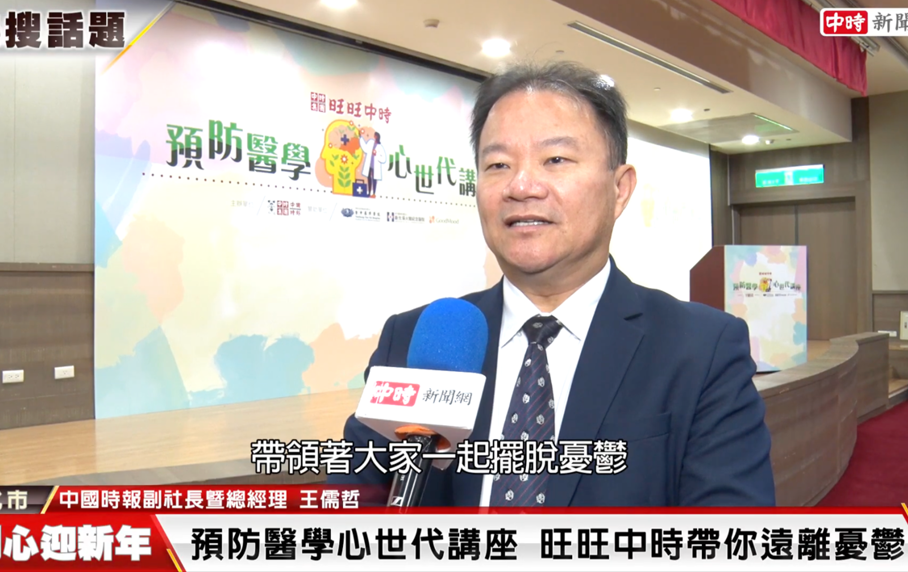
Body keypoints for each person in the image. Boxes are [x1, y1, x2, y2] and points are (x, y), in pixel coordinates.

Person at [329, 62, 775, 507]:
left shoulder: (702, 350)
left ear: (620, 189)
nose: (521, 185)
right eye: (498, 164)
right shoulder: (413, 343)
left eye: (555, 159)